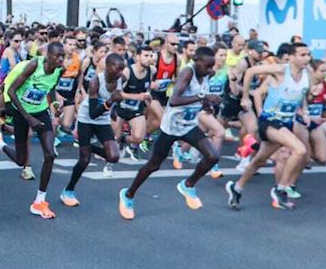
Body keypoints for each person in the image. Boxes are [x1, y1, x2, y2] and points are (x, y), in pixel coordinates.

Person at [122, 47, 222, 219]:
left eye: (211, 67)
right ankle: (128, 194)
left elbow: (202, 95)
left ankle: (188, 185)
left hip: (189, 125)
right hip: (171, 127)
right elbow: (174, 100)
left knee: (213, 156)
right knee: (154, 165)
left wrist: (207, 106)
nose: (209, 70)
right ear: (196, 61)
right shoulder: (187, 73)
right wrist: (203, 99)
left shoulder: (206, 74)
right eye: (206, 66)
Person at [224, 42, 312, 212]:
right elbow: (250, 72)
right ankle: (280, 190)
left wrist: (304, 110)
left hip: (286, 122)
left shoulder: (307, 73)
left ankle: (237, 188)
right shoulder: (280, 70)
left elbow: (302, 92)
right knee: (299, 150)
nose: (307, 58)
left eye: (308, 55)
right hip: (270, 121)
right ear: (292, 57)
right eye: (302, 55)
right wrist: (245, 97)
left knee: (259, 160)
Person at [2, 41, 65, 219]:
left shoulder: (60, 70)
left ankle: (39, 201)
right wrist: (27, 117)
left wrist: (53, 103)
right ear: (48, 56)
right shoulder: (34, 65)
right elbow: (12, 90)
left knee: (50, 155)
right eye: (57, 56)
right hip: (22, 112)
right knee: (22, 160)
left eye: (63, 56)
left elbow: (50, 88)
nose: (60, 59)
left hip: (41, 111)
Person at [62, 52, 123, 209]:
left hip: (103, 121)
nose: (120, 73)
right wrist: (110, 102)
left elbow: (115, 103)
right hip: (87, 119)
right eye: (118, 69)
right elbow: (93, 113)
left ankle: (86, 146)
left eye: (122, 69)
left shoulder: (120, 80)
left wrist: (115, 111)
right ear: (109, 67)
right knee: (84, 160)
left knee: (114, 156)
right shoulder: (96, 82)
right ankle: (68, 191)